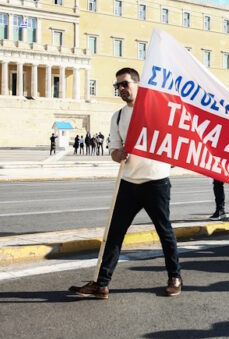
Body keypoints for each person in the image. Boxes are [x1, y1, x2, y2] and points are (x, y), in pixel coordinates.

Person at [69, 67, 182, 299]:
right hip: (129, 182)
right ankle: (102, 284)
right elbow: (113, 150)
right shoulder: (118, 116)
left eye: (125, 84)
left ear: (138, 84)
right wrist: (118, 154)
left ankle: (175, 277)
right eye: (117, 86)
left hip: (156, 182)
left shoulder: (157, 109)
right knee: (114, 233)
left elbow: (174, 137)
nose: (121, 89)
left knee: (164, 231)